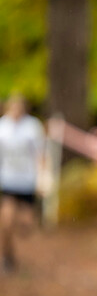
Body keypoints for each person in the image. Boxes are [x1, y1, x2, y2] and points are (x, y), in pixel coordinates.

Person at [0, 95, 46, 272]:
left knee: (25, 226)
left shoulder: (32, 127)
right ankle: (7, 257)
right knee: (6, 221)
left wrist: (43, 178)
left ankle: (11, 249)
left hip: (27, 182)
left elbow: (40, 154)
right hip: (8, 181)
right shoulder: (2, 126)